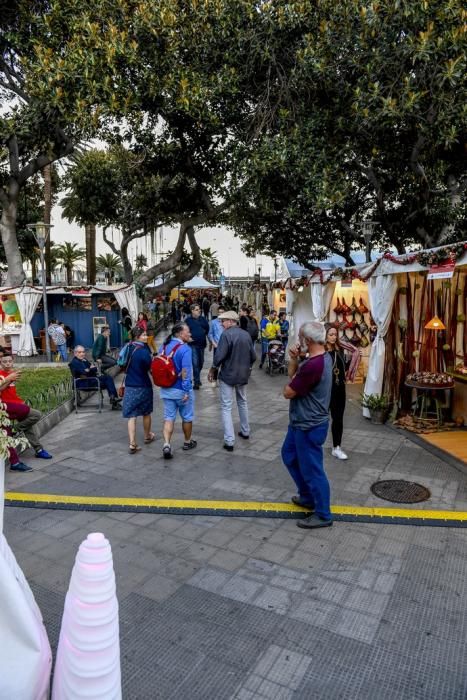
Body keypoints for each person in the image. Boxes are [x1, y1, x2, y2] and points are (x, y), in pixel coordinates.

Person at [281, 321, 333, 529]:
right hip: (301, 422)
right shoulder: (319, 358)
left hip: (309, 424)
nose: (299, 341)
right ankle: (307, 496)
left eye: (301, 337)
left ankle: (323, 513)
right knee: (289, 456)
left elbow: (288, 391)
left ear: (308, 340)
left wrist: (293, 373)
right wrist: (294, 358)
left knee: (313, 469)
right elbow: (292, 376)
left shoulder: (313, 366)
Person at [208, 310, 256, 451]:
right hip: (242, 374)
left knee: (226, 406)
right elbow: (253, 356)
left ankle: (229, 440)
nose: (222, 324)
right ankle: (245, 431)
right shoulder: (246, 335)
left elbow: (220, 356)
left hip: (228, 375)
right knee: (242, 402)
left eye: (223, 321)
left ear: (230, 321)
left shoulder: (226, 335)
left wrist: (213, 368)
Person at [0, 353, 53, 471]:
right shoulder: (2, 374)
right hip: (4, 408)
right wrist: (9, 379)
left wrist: (19, 400)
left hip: (15, 405)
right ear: (0, 362)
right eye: (4, 361)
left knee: (25, 426)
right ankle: (16, 431)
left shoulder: (12, 373)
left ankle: (38, 450)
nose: (8, 363)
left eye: (9, 361)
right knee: (35, 415)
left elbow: (11, 392)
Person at [158, 322, 197, 459]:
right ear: (181, 333)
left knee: (169, 418)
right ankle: (187, 442)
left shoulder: (163, 346)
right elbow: (186, 371)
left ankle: (167, 444)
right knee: (187, 417)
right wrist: (187, 390)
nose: (190, 334)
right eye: (188, 331)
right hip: (181, 390)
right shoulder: (185, 349)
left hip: (166, 389)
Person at [324, 324, 360, 461]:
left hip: (339, 389)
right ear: (325, 335)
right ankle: (312, 445)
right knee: (321, 418)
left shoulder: (340, 349)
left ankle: (336, 447)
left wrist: (354, 358)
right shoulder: (322, 351)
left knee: (338, 419)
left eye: (335, 334)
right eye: (331, 334)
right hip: (326, 389)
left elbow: (342, 368)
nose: (333, 337)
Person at [121, 327, 154, 454]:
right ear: (138, 336)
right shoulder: (144, 351)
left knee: (132, 415)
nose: (146, 337)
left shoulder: (128, 347)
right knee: (146, 412)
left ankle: (132, 443)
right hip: (143, 385)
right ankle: (147, 436)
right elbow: (149, 367)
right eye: (144, 335)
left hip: (129, 385)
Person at [70, 345, 121, 410]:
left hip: (91, 380)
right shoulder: (74, 362)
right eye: (79, 352)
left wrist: (90, 369)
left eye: (83, 352)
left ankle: (113, 398)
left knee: (108, 378)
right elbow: (85, 372)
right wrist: (91, 369)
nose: (82, 354)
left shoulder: (84, 360)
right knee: (107, 382)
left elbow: (92, 370)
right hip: (84, 383)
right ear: (75, 353)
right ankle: (114, 402)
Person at [185, 303, 209, 390]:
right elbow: (185, 331)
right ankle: (196, 382)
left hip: (202, 344)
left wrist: (202, 334)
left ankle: (197, 378)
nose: (199, 311)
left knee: (201, 363)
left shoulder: (203, 319)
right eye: (197, 309)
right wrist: (188, 338)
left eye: (199, 309)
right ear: (192, 311)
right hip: (193, 345)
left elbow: (207, 329)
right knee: (195, 363)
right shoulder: (188, 320)